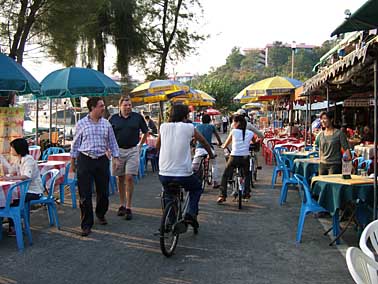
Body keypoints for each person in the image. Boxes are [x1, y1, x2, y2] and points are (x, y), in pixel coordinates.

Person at [156, 105, 214, 229]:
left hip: (164, 173)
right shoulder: (189, 127)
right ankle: (190, 213)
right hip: (183, 174)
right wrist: (211, 154)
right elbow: (203, 142)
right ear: (185, 116)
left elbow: (157, 146)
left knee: (168, 193)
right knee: (196, 188)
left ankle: (170, 222)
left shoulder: (163, 127)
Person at [71, 97, 120, 237]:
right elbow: (75, 144)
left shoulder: (106, 124)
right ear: (92, 108)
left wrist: (116, 157)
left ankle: (100, 213)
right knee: (85, 194)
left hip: (102, 159)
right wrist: (73, 162)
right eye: (101, 106)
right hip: (85, 159)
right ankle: (86, 224)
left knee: (103, 192)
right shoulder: (81, 124)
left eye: (103, 105)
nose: (103, 108)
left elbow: (112, 142)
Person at [109, 96, 148, 220]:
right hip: (118, 151)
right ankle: (122, 204)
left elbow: (146, 131)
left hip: (132, 150)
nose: (128, 107)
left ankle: (129, 207)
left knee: (129, 177)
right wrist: (109, 149)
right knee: (120, 178)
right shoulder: (113, 119)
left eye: (130, 105)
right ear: (120, 106)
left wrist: (140, 145)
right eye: (125, 105)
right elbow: (107, 134)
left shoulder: (137, 117)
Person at [0, 138, 44, 236]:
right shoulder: (19, 159)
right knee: (8, 199)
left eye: (12, 148)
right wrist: (3, 161)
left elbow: (26, 176)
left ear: (18, 149)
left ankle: (14, 227)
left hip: (34, 191)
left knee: (12, 200)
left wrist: (10, 178)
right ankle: (13, 225)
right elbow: (11, 171)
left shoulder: (28, 159)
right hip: (25, 190)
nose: (11, 150)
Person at [218, 115, 255, 203]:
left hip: (234, 157)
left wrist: (222, 146)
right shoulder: (250, 133)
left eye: (233, 122)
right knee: (247, 174)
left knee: (225, 175)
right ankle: (246, 192)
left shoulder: (233, 131)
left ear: (238, 123)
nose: (232, 124)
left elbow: (226, 144)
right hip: (245, 158)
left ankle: (222, 195)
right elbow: (254, 142)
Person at [315, 111, 351, 175]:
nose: (322, 121)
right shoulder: (321, 134)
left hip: (335, 165)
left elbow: (346, 149)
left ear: (331, 120)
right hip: (322, 165)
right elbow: (319, 149)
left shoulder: (339, 133)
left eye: (325, 118)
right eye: (321, 119)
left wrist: (349, 166)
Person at [192, 114, 222, 188]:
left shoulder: (197, 127)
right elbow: (217, 136)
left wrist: (194, 144)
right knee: (214, 164)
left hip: (199, 149)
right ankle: (215, 182)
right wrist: (220, 143)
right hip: (209, 149)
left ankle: (193, 180)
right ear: (209, 120)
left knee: (194, 166)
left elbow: (195, 138)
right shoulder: (211, 127)